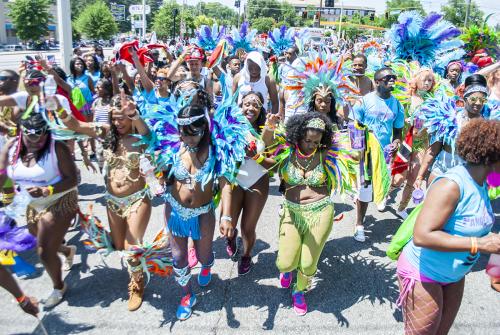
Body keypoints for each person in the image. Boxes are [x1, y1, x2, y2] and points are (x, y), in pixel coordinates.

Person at [396, 118, 500, 335]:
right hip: (423, 273)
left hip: (453, 276)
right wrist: (479, 244)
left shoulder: (481, 183)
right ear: (493, 157)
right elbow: (422, 235)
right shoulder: (452, 185)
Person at [58, 93, 154, 312]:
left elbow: (149, 135)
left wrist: (135, 116)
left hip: (137, 200)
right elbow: (76, 124)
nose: (119, 122)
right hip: (112, 202)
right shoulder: (106, 133)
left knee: (131, 249)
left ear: (132, 116)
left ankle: (137, 285)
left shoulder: (141, 136)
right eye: (115, 118)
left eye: (124, 117)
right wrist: (58, 108)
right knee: (119, 246)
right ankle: (132, 255)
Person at [0, 113, 78, 308]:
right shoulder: (12, 147)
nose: (37, 142)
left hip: (60, 198)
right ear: (21, 134)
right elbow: (2, 175)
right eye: (31, 138)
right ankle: (67, 250)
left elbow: (73, 179)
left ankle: (59, 287)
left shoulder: (57, 148)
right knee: (45, 242)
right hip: (32, 204)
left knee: (43, 251)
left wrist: (47, 189)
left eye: (41, 138)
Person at [264, 112, 337, 316]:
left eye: (316, 142)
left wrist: (360, 137)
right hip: (291, 210)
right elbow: (266, 150)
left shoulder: (325, 154)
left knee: (307, 263)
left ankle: (299, 290)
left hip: (320, 211)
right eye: (307, 140)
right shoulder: (287, 152)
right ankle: (288, 270)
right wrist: (269, 128)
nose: (311, 145)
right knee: (285, 262)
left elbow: (356, 155)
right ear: (298, 134)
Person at [352, 67, 404, 242]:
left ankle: (379, 197)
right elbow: (355, 127)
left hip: (385, 154)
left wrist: (396, 143)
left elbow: (398, 132)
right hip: (365, 152)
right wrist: (359, 152)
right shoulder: (364, 101)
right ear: (377, 82)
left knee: (381, 183)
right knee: (365, 188)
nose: (392, 81)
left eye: (393, 78)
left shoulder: (397, 104)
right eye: (387, 78)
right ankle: (359, 224)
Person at [221, 91, 269, 275]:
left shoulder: (268, 128)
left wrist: (256, 156)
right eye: (247, 103)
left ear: (261, 109)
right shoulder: (229, 126)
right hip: (234, 179)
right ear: (240, 107)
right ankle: (231, 239)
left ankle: (247, 255)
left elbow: (274, 163)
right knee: (229, 224)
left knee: (248, 228)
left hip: (257, 180)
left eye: (255, 104)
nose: (251, 107)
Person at [414, 74, 490, 189]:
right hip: (441, 170)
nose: (478, 103)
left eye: (482, 99)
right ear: (464, 99)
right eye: (474, 98)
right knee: (432, 204)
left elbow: (490, 157)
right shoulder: (449, 119)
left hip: (467, 176)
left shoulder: (486, 126)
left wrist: (493, 183)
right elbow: (433, 151)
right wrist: (420, 176)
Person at [392, 68, 435, 219]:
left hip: (421, 143)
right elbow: (396, 118)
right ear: (415, 80)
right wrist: (406, 121)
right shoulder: (406, 98)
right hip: (406, 141)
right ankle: (384, 195)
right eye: (424, 79)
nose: (427, 83)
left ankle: (402, 207)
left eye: (430, 80)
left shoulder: (433, 100)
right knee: (399, 177)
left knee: (414, 176)